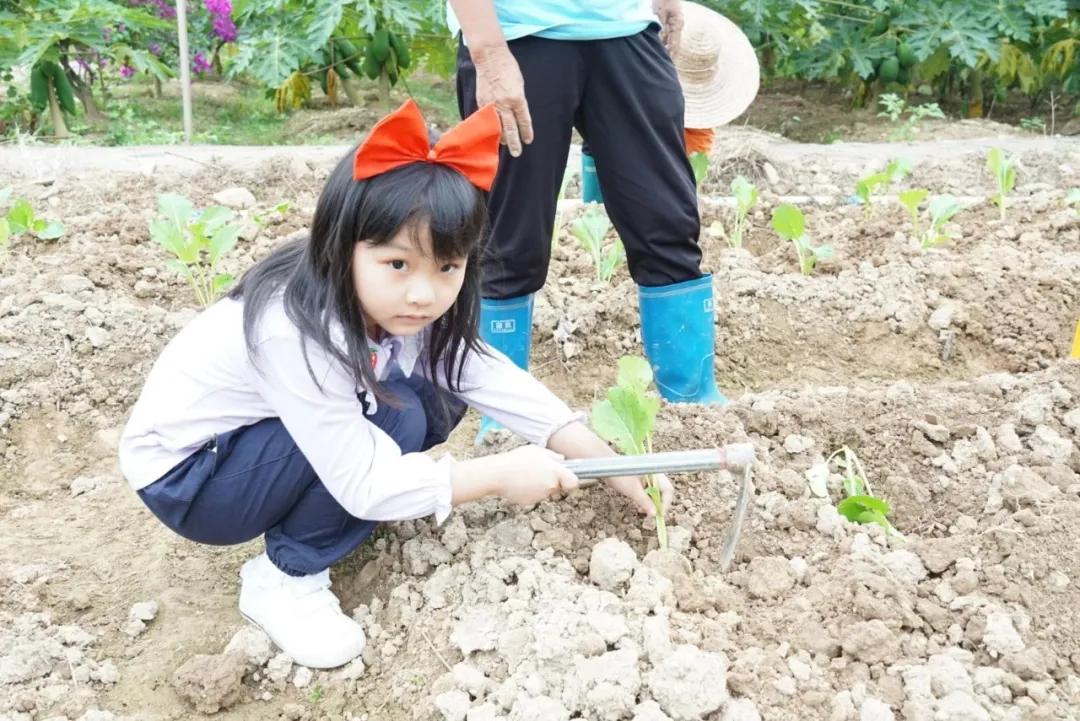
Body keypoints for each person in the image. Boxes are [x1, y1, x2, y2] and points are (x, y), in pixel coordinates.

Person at [118, 100, 672, 670]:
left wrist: (605, 460)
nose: (424, 295)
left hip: (251, 445)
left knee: (424, 397)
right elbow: (363, 480)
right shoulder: (296, 330)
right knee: (388, 419)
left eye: (447, 268)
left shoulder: (379, 304)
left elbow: (482, 373)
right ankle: (284, 579)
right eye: (399, 265)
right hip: (193, 479)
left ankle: (317, 524)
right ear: (343, 246)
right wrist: (498, 476)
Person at [448, 0, 746, 445]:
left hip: (626, 30)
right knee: (508, 240)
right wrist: (488, 53)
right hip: (518, 35)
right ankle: (505, 423)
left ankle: (692, 404)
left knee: (667, 222)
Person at [581, 1, 761, 199]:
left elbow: (689, 165)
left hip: (656, 179)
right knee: (601, 137)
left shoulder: (698, 131)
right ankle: (595, 205)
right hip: (622, 128)